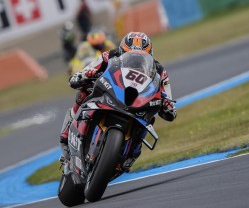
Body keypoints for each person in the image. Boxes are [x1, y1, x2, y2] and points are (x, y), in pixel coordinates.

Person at [59, 32, 177, 167]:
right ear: (122, 51)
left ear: (149, 55)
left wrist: (168, 104)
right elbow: (90, 68)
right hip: (112, 91)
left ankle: (133, 152)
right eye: (130, 56)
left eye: (140, 58)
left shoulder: (160, 70)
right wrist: (83, 75)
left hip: (138, 101)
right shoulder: (109, 55)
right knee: (84, 91)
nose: (135, 61)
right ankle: (67, 132)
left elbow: (168, 97)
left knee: (151, 115)